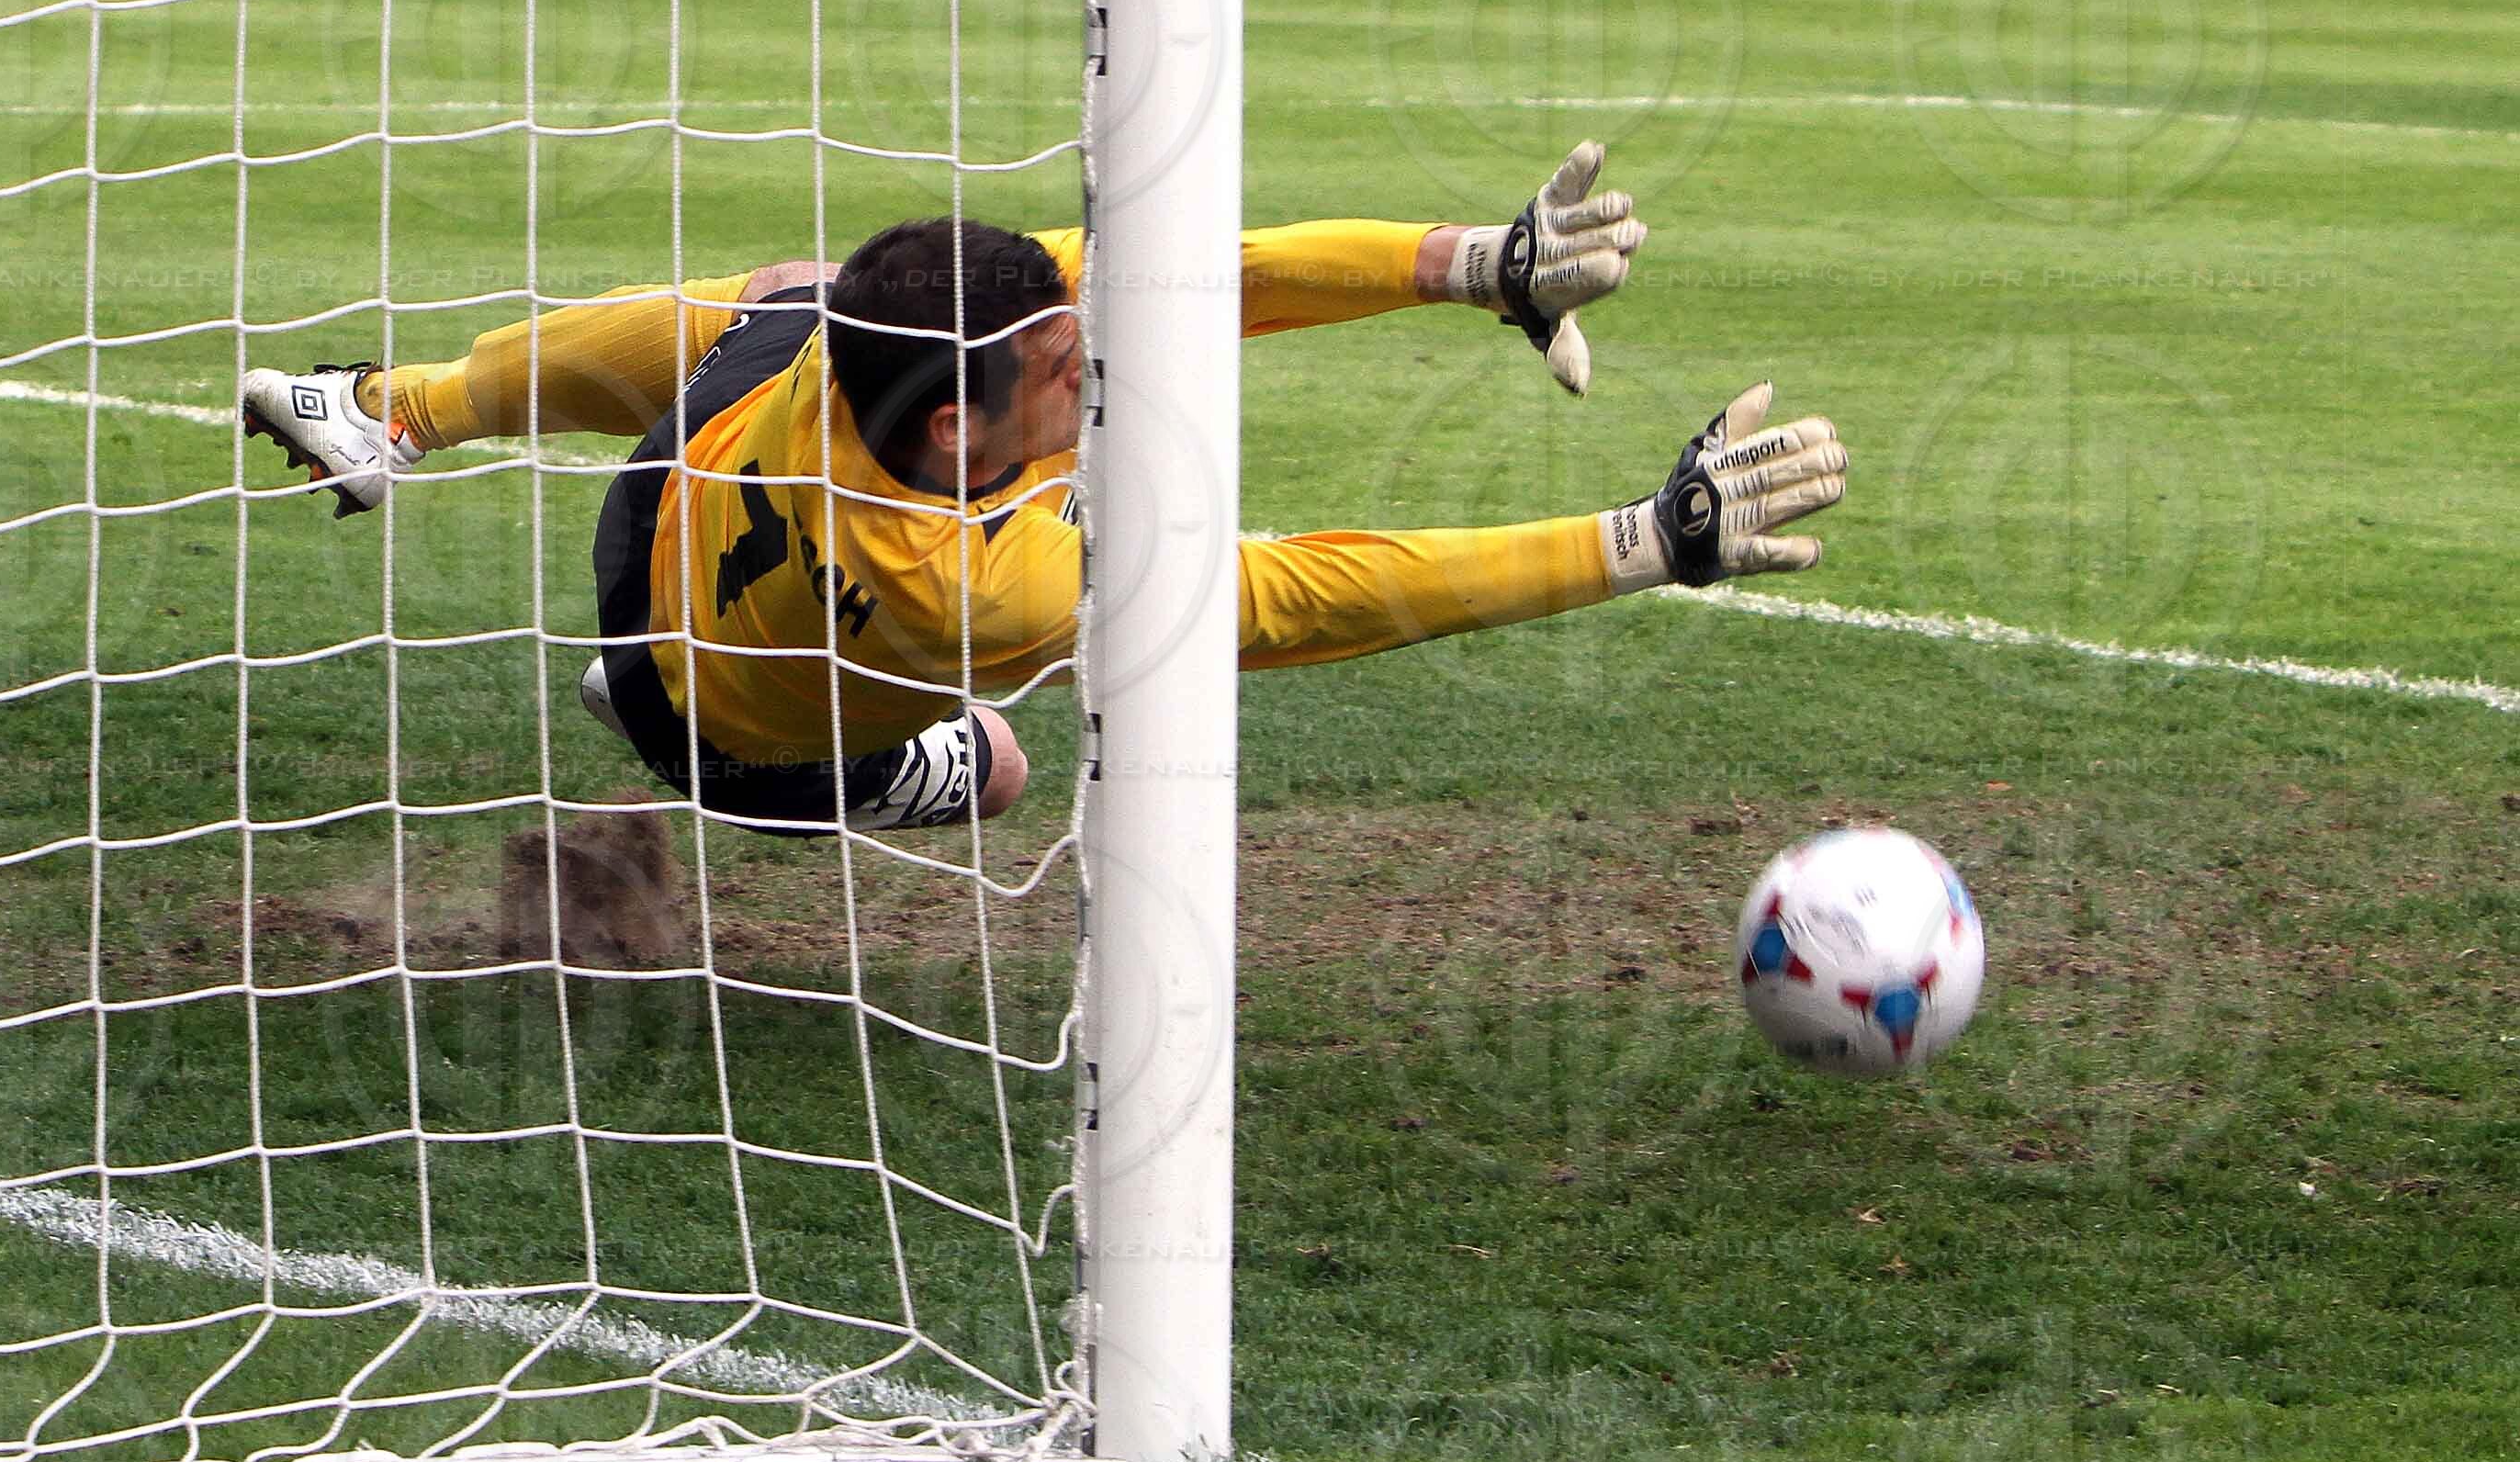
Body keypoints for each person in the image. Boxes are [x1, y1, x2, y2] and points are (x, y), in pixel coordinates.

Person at [233, 165, 1839, 865]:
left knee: (787, 294)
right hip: (719, 739)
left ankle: (399, 411)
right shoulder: (987, 594)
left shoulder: (878, 341)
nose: (1088, 375)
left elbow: (1207, 274)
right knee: (1000, 763)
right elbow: (1298, 596)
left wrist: (1471, 262)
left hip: (659, 511)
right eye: (1062, 374)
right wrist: (1641, 543)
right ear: (964, 428)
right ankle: (877, 757)